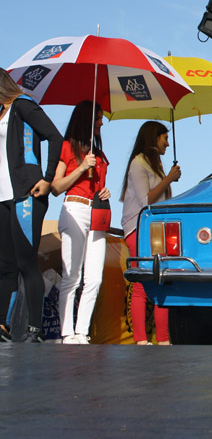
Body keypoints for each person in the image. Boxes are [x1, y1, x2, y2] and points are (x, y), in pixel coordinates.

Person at [0, 68, 63, 343]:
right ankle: (3, 326)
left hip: (26, 195)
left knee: (27, 263)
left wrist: (47, 179)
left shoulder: (23, 105)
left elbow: (55, 137)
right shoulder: (1, 112)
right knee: (5, 266)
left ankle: (35, 329)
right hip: (2, 197)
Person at [50, 101, 110, 345]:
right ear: (86, 119)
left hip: (97, 211)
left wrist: (104, 191)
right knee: (72, 275)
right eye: (98, 118)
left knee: (94, 278)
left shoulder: (100, 153)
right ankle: (67, 333)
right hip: (74, 207)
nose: (101, 122)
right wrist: (82, 167)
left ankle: (82, 332)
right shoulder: (67, 147)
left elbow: (98, 183)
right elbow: (56, 186)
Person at [121, 121, 181, 345]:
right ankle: (141, 340)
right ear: (153, 139)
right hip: (138, 228)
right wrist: (168, 179)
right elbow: (146, 200)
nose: (167, 143)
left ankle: (163, 340)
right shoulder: (138, 163)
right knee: (141, 283)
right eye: (164, 138)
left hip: (156, 230)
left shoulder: (156, 164)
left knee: (162, 282)